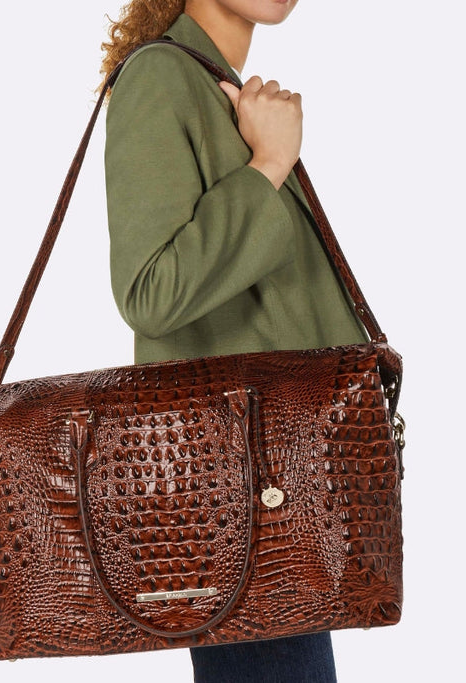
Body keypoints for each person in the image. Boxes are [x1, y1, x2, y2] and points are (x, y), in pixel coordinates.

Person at [100, 1, 370, 681]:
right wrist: (269, 163)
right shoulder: (159, 77)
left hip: (276, 491)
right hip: (235, 497)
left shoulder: (215, 84)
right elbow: (151, 291)